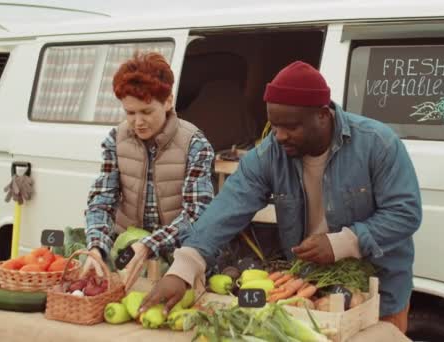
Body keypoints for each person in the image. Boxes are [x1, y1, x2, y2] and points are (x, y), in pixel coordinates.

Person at [139, 61, 422, 333]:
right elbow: (226, 209)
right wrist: (183, 268)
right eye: (274, 126)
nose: (280, 136)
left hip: (376, 293)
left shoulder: (378, 144)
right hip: (311, 290)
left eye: (291, 126)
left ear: (323, 115)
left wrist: (342, 243)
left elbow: (405, 213)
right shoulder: (269, 154)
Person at [83, 52, 215, 290]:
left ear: (167, 102)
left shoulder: (195, 144)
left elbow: (197, 214)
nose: (138, 122)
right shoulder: (116, 139)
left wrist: (148, 244)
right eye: (130, 113)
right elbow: (102, 200)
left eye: (146, 112)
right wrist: (96, 246)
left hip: (178, 258)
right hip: (128, 253)